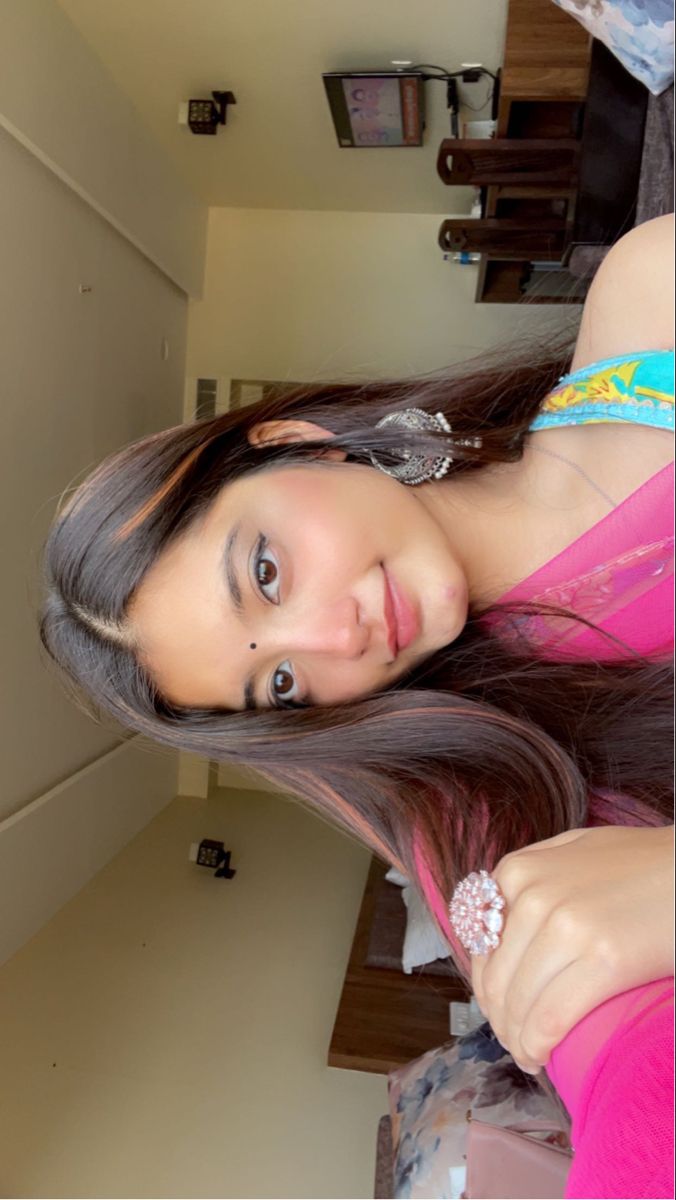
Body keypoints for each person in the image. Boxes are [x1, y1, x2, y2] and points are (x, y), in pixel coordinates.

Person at [39, 214, 674, 1195]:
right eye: (282, 686)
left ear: (297, 444)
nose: (336, 642)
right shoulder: (477, 795)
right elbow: (637, 1085)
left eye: (265, 570)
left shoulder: (647, 298)